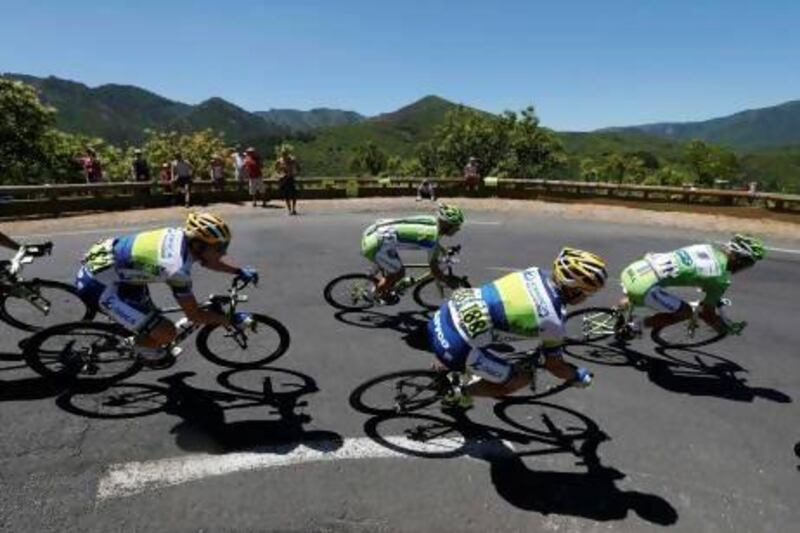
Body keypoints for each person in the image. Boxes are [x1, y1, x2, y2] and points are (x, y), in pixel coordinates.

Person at [428, 248, 608, 408]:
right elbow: (555, 366)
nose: (586, 299)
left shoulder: (533, 272)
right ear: (573, 290)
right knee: (519, 379)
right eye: (587, 294)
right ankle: (458, 394)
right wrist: (576, 375)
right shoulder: (553, 322)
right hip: (455, 344)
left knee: (490, 331)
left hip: (443, 314)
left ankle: (443, 367)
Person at [75, 212, 259, 365]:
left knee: (151, 317)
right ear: (198, 245)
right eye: (219, 248)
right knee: (167, 333)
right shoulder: (176, 269)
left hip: (108, 268)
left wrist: (237, 270)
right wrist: (229, 320)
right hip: (99, 287)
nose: (224, 252)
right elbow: (194, 316)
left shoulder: (181, 235)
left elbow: (208, 259)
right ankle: (139, 346)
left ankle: (140, 333)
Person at [617, 234, 765, 337]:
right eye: (748, 265)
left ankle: (619, 309)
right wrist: (725, 329)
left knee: (647, 291)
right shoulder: (720, 278)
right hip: (642, 286)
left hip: (635, 269)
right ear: (740, 261)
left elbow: (692, 270)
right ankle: (635, 326)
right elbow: (708, 314)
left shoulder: (706, 248)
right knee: (686, 312)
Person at [361, 203, 464, 301]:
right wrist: (447, 281)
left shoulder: (432, 221)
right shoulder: (431, 238)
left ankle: (376, 274)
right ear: (447, 226)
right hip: (376, 245)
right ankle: (373, 295)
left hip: (374, 232)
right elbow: (434, 270)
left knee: (393, 264)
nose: (458, 229)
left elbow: (434, 242)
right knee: (399, 274)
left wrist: (443, 249)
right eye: (456, 226)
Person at [275, 146, 299, 215]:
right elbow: (276, 168)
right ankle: (289, 210)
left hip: (290, 178)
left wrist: (295, 173)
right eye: (283, 153)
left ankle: (294, 209)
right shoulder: (280, 160)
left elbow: (298, 166)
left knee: (294, 195)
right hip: (284, 179)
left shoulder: (291, 159)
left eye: (285, 153)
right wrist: (279, 174)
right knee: (286, 195)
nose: (284, 154)